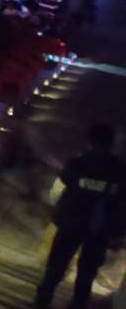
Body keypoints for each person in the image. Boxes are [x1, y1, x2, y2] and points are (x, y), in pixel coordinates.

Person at [35, 123, 126, 309]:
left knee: (57, 265)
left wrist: (58, 211)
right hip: (100, 228)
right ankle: (78, 303)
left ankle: (43, 298)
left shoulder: (78, 163)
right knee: (87, 271)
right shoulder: (120, 169)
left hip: (71, 222)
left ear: (91, 141)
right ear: (111, 144)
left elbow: (59, 187)